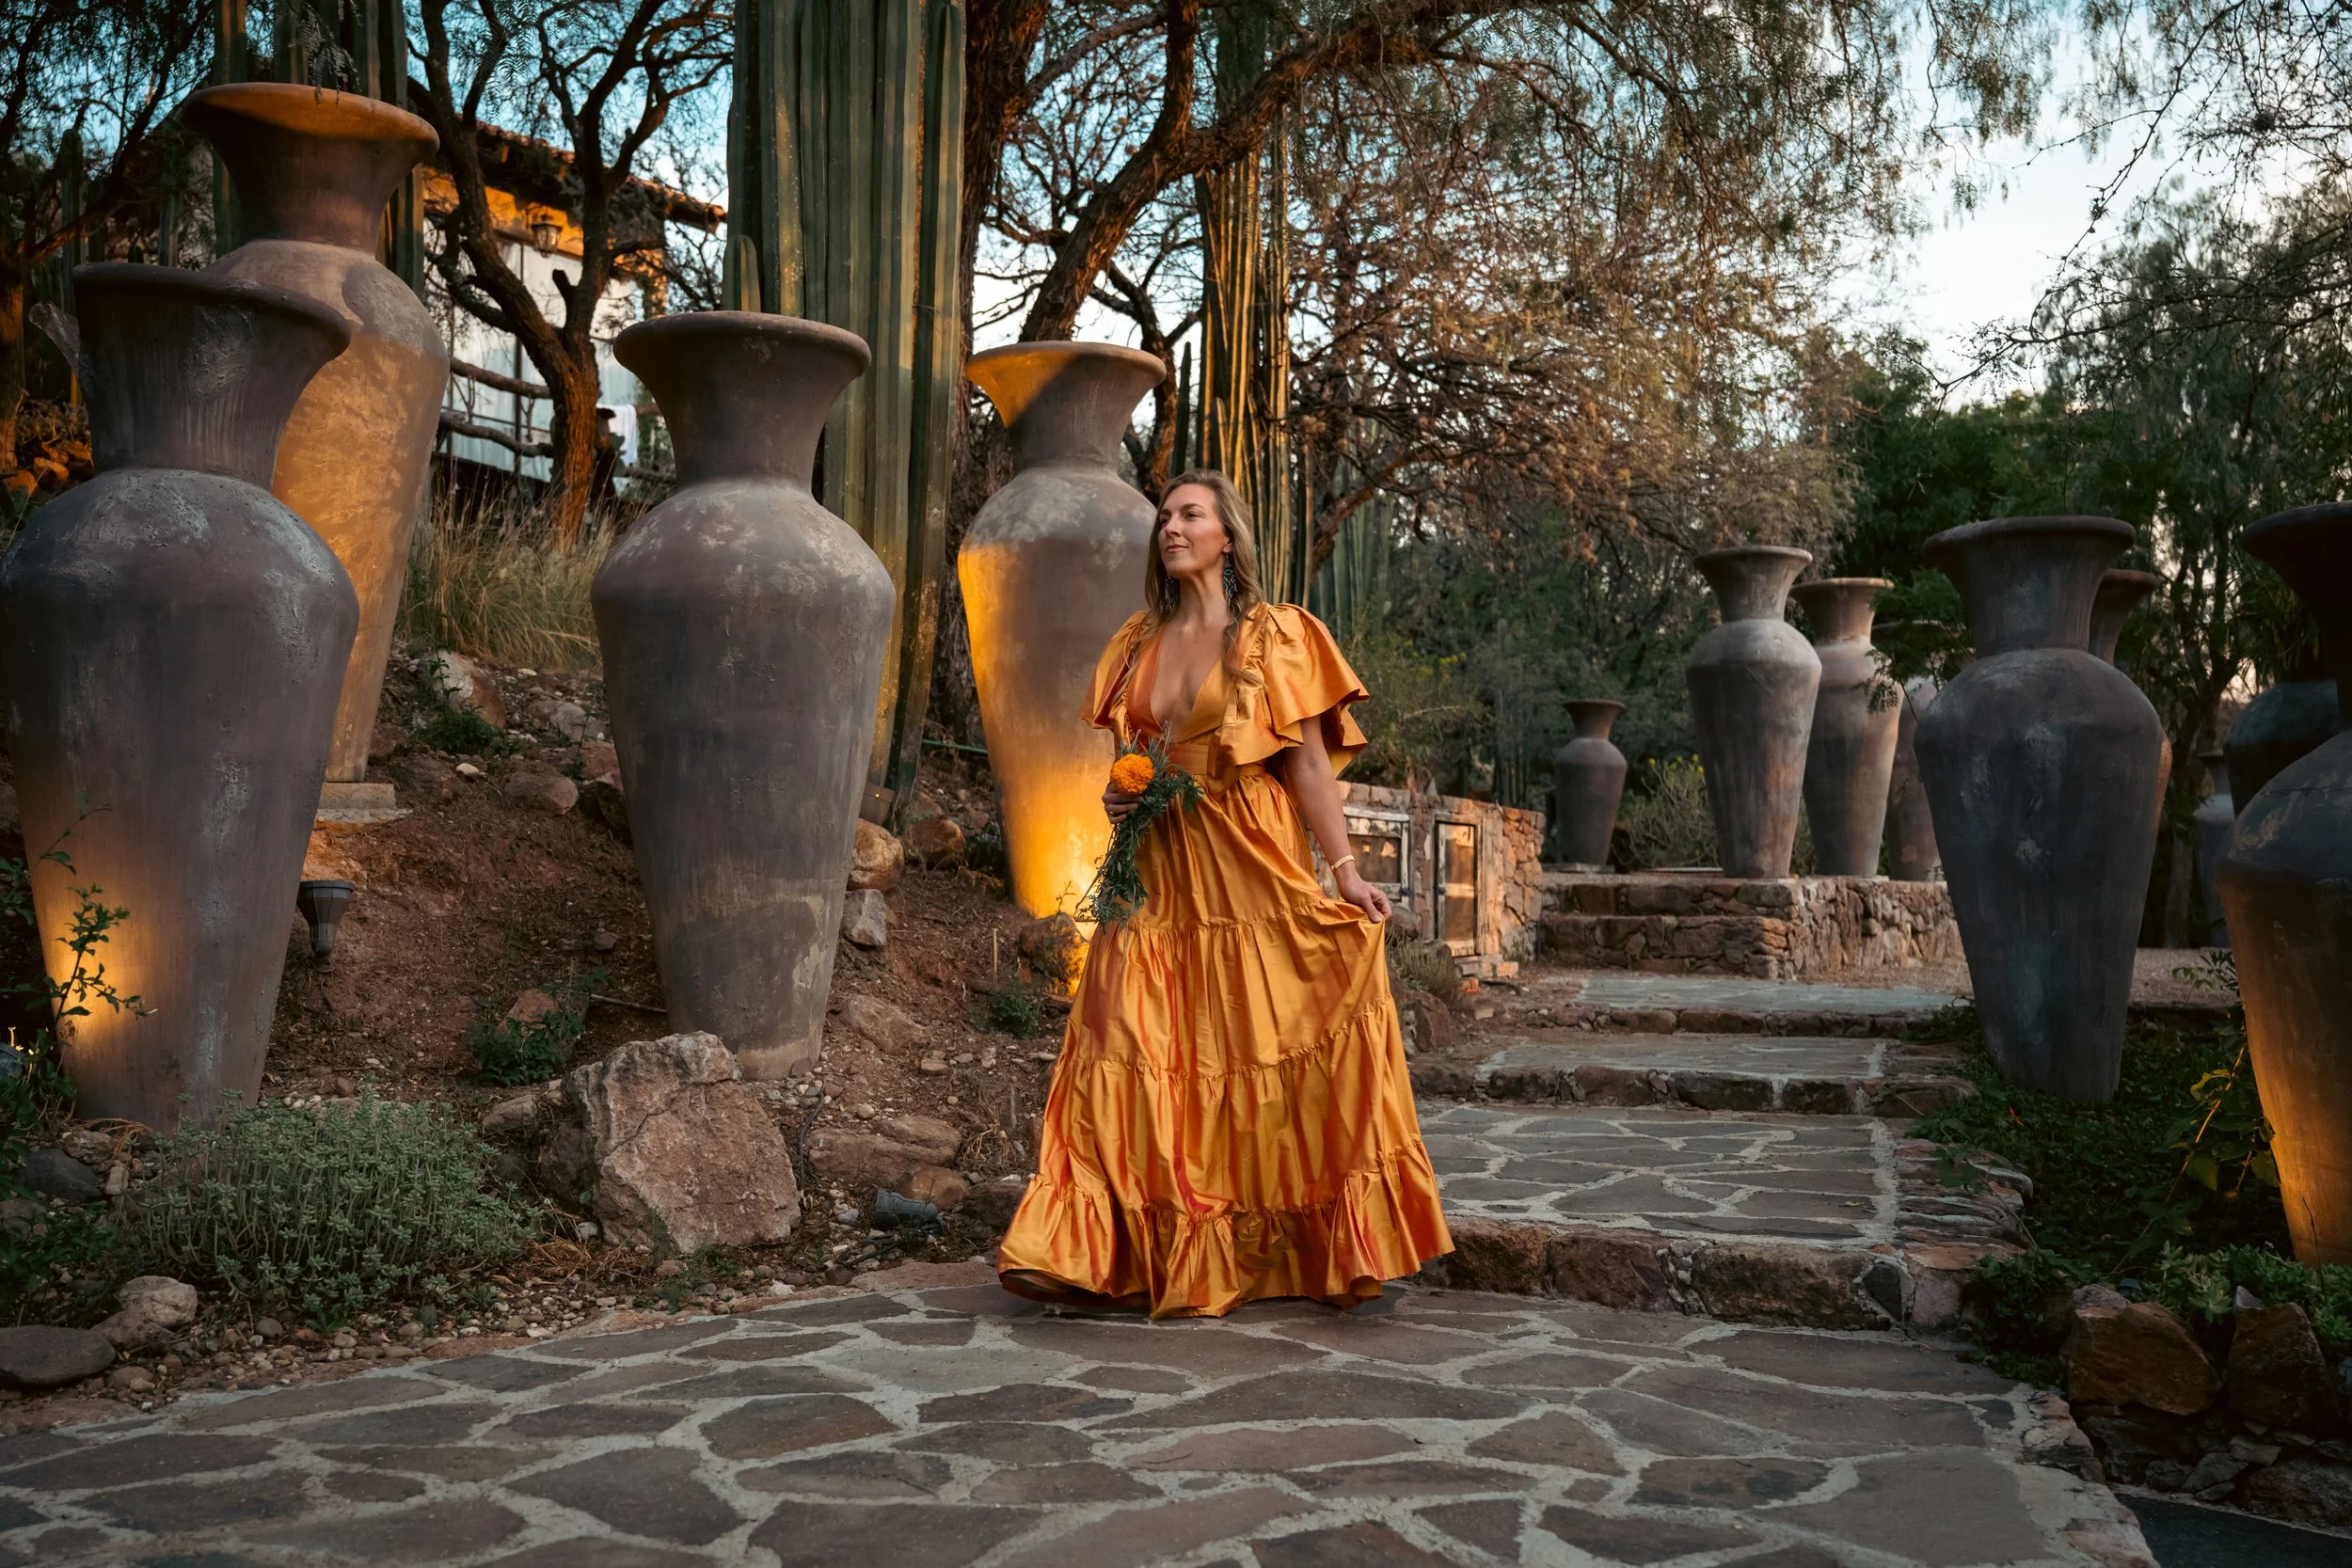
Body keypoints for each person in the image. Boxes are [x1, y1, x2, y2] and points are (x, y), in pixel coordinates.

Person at [996, 469, 1453, 1318]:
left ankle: (1273, 1239)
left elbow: (1308, 764)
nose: (1170, 526)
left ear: (1226, 536)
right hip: (1155, 863)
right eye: (1164, 515)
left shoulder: (1276, 636)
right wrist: (1117, 796)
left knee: (1249, 1036)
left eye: (1189, 514)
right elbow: (1126, 757)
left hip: (1247, 854)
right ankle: (1090, 1245)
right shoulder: (1136, 638)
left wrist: (1346, 869)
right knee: (1127, 1033)